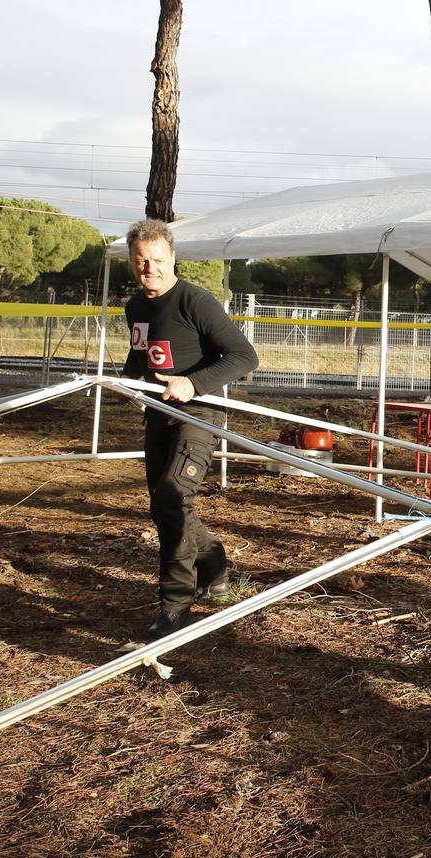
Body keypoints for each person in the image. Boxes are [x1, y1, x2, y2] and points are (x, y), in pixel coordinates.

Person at [121, 219, 259, 639]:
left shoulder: (194, 301)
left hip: (199, 415)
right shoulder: (135, 307)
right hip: (157, 417)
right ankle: (214, 563)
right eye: (142, 261)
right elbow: (140, 357)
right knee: (166, 505)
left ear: (173, 257)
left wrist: (192, 383)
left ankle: (176, 607)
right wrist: (125, 381)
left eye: (158, 260)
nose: (151, 268)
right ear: (132, 261)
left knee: (172, 496)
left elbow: (244, 356)